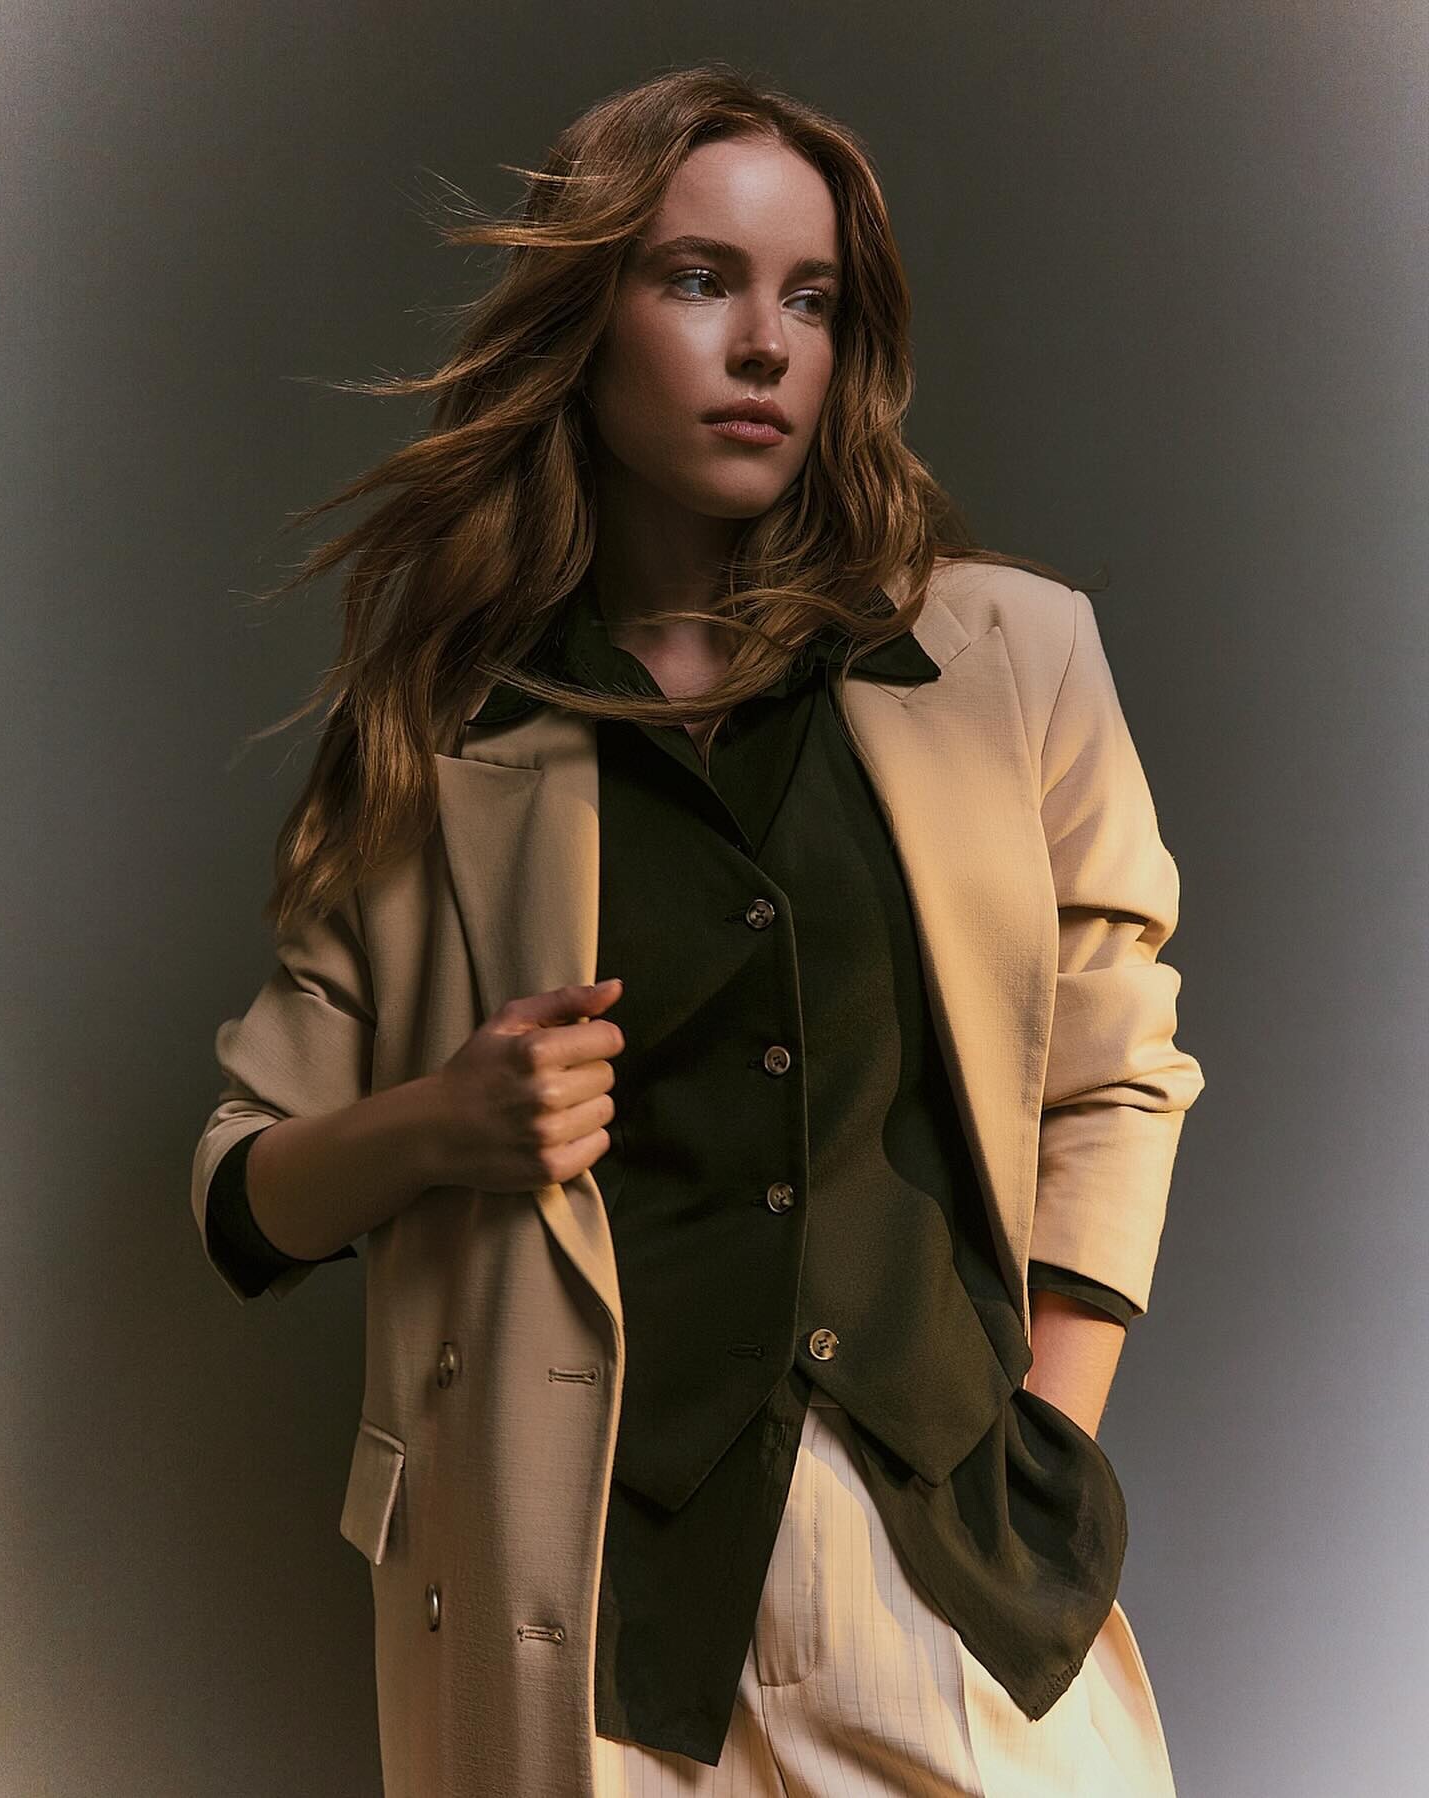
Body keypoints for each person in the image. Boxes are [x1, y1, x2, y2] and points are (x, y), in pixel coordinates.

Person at [190, 63, 1205, 1798]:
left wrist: (1039, 1441)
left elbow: (1118, 1071)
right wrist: (445, 1120)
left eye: (810, 299)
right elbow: (242, 1187)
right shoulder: (444, 730)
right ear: (586, 322)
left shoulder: (1012, 662)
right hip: (574, 1603)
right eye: (698, 281)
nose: (764, 347)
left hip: (930, 1570)